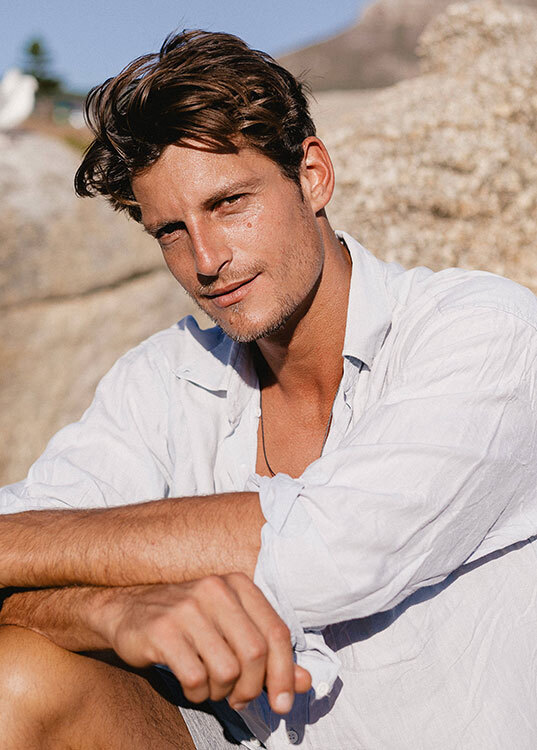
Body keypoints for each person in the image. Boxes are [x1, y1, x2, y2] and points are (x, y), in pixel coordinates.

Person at [1, 29, 537, 750]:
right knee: (14, 678)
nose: (206, 260)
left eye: (228, 203)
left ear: (312, 176)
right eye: (170, 231)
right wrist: (105, 612)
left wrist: (40, 553)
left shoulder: (482, 330)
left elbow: (328, 550)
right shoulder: (165, 379)